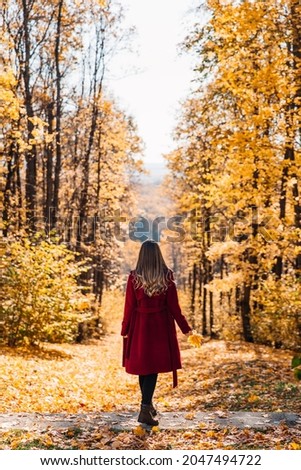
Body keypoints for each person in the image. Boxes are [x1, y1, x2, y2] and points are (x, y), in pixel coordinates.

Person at [121, 239, 192, 426]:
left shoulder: (134, 277)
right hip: (160, 327)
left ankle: (146, 406)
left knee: (145, 367)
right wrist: (186, 328)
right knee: (150, 367)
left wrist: (125, 329)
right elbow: (174, 308)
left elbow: (129, 307)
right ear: (159, 255)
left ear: (142, 256)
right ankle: (146, 407)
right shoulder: (167, 277)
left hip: (140, 327)